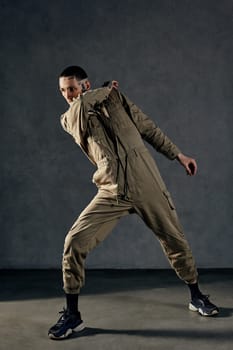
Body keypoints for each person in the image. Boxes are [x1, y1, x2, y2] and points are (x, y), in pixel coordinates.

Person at [48, 65, 219, 340]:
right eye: (63, 90)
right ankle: (73, 316)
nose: (67, 95)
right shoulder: (70, 117)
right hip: (111, 191)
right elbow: (80, 108)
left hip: (147, 184)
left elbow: (149, 128)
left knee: (176, 241)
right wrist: (104, 90)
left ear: (85, 85)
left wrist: (179, 155)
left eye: (71, 88)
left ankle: (196, 295)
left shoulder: (116, 99)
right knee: (74, 242)